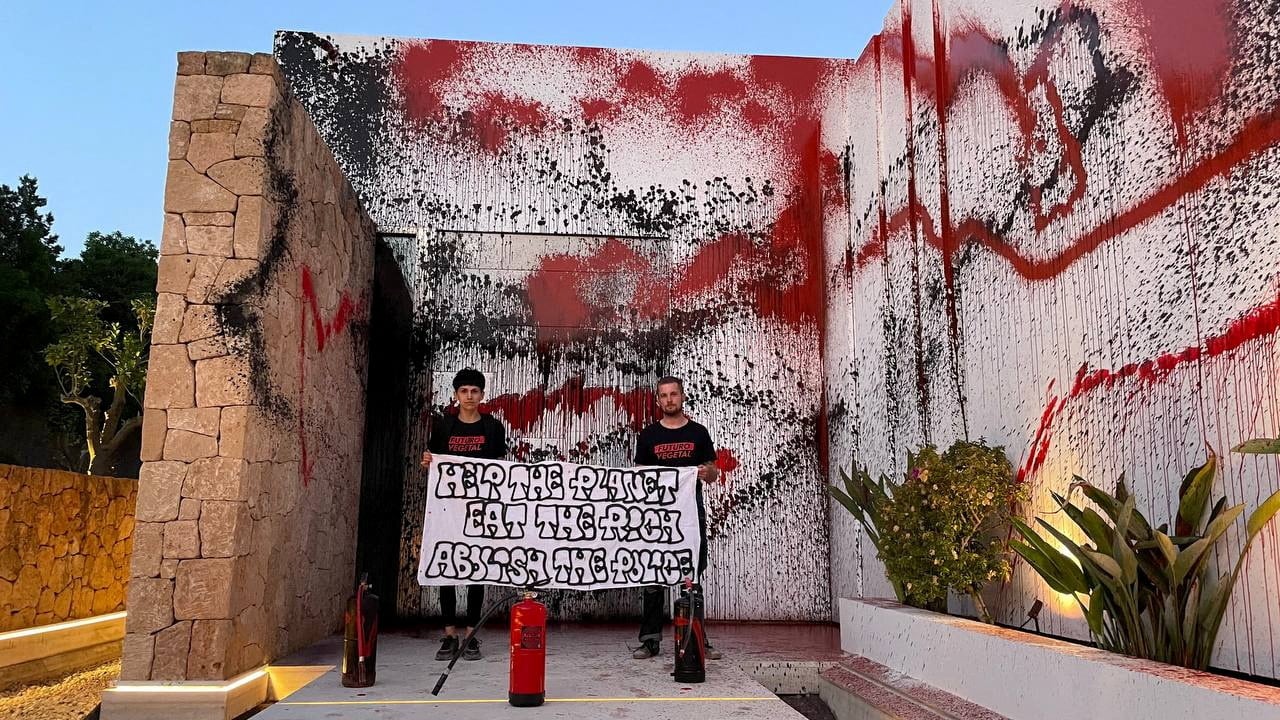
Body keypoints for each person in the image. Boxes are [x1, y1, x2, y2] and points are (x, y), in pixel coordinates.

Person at [631, 376, 723, 661]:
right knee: (653, 576)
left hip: (690, 513)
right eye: (663, 395)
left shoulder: (698, 433)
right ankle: (650, 641)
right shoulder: (648, 436)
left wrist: (708, 473)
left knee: (691, 575)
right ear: (657, 400)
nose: (669, 400)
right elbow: (639, 477)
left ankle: (697, 638)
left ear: (682, 397)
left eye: (673, 394)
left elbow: (713, 471)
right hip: (657, 513)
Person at [420, 368, 507, 661]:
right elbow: (431, 462)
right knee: (447, 567)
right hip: (447, 510)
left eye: (474, 391)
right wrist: (428, 461)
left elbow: (501, 470)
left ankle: (471, 634)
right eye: (464, 391)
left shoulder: (493, 428)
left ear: (482, 395)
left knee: (475, 570)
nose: (469, 396)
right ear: (456, 395)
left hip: (479, 510)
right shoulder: (444, 427)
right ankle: (449, 636)